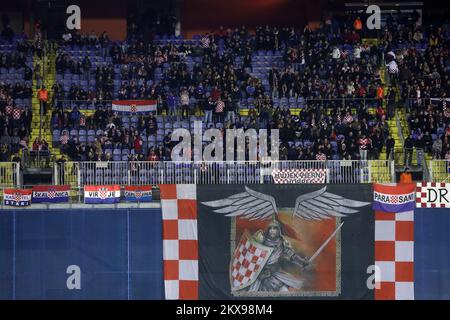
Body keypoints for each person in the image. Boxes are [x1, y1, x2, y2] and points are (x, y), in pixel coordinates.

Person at [238, 218, 310, 293]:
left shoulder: (282, 242)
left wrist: (302, 262)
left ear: (279, 230)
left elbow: (292, 256)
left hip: (275, 273)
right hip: (259, 275)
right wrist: (260, 272)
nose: (272, 230)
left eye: (275, 228)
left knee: (284, 292)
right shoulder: (261, 240)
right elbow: (251, 255)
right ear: (267, 230)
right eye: (270, 228)